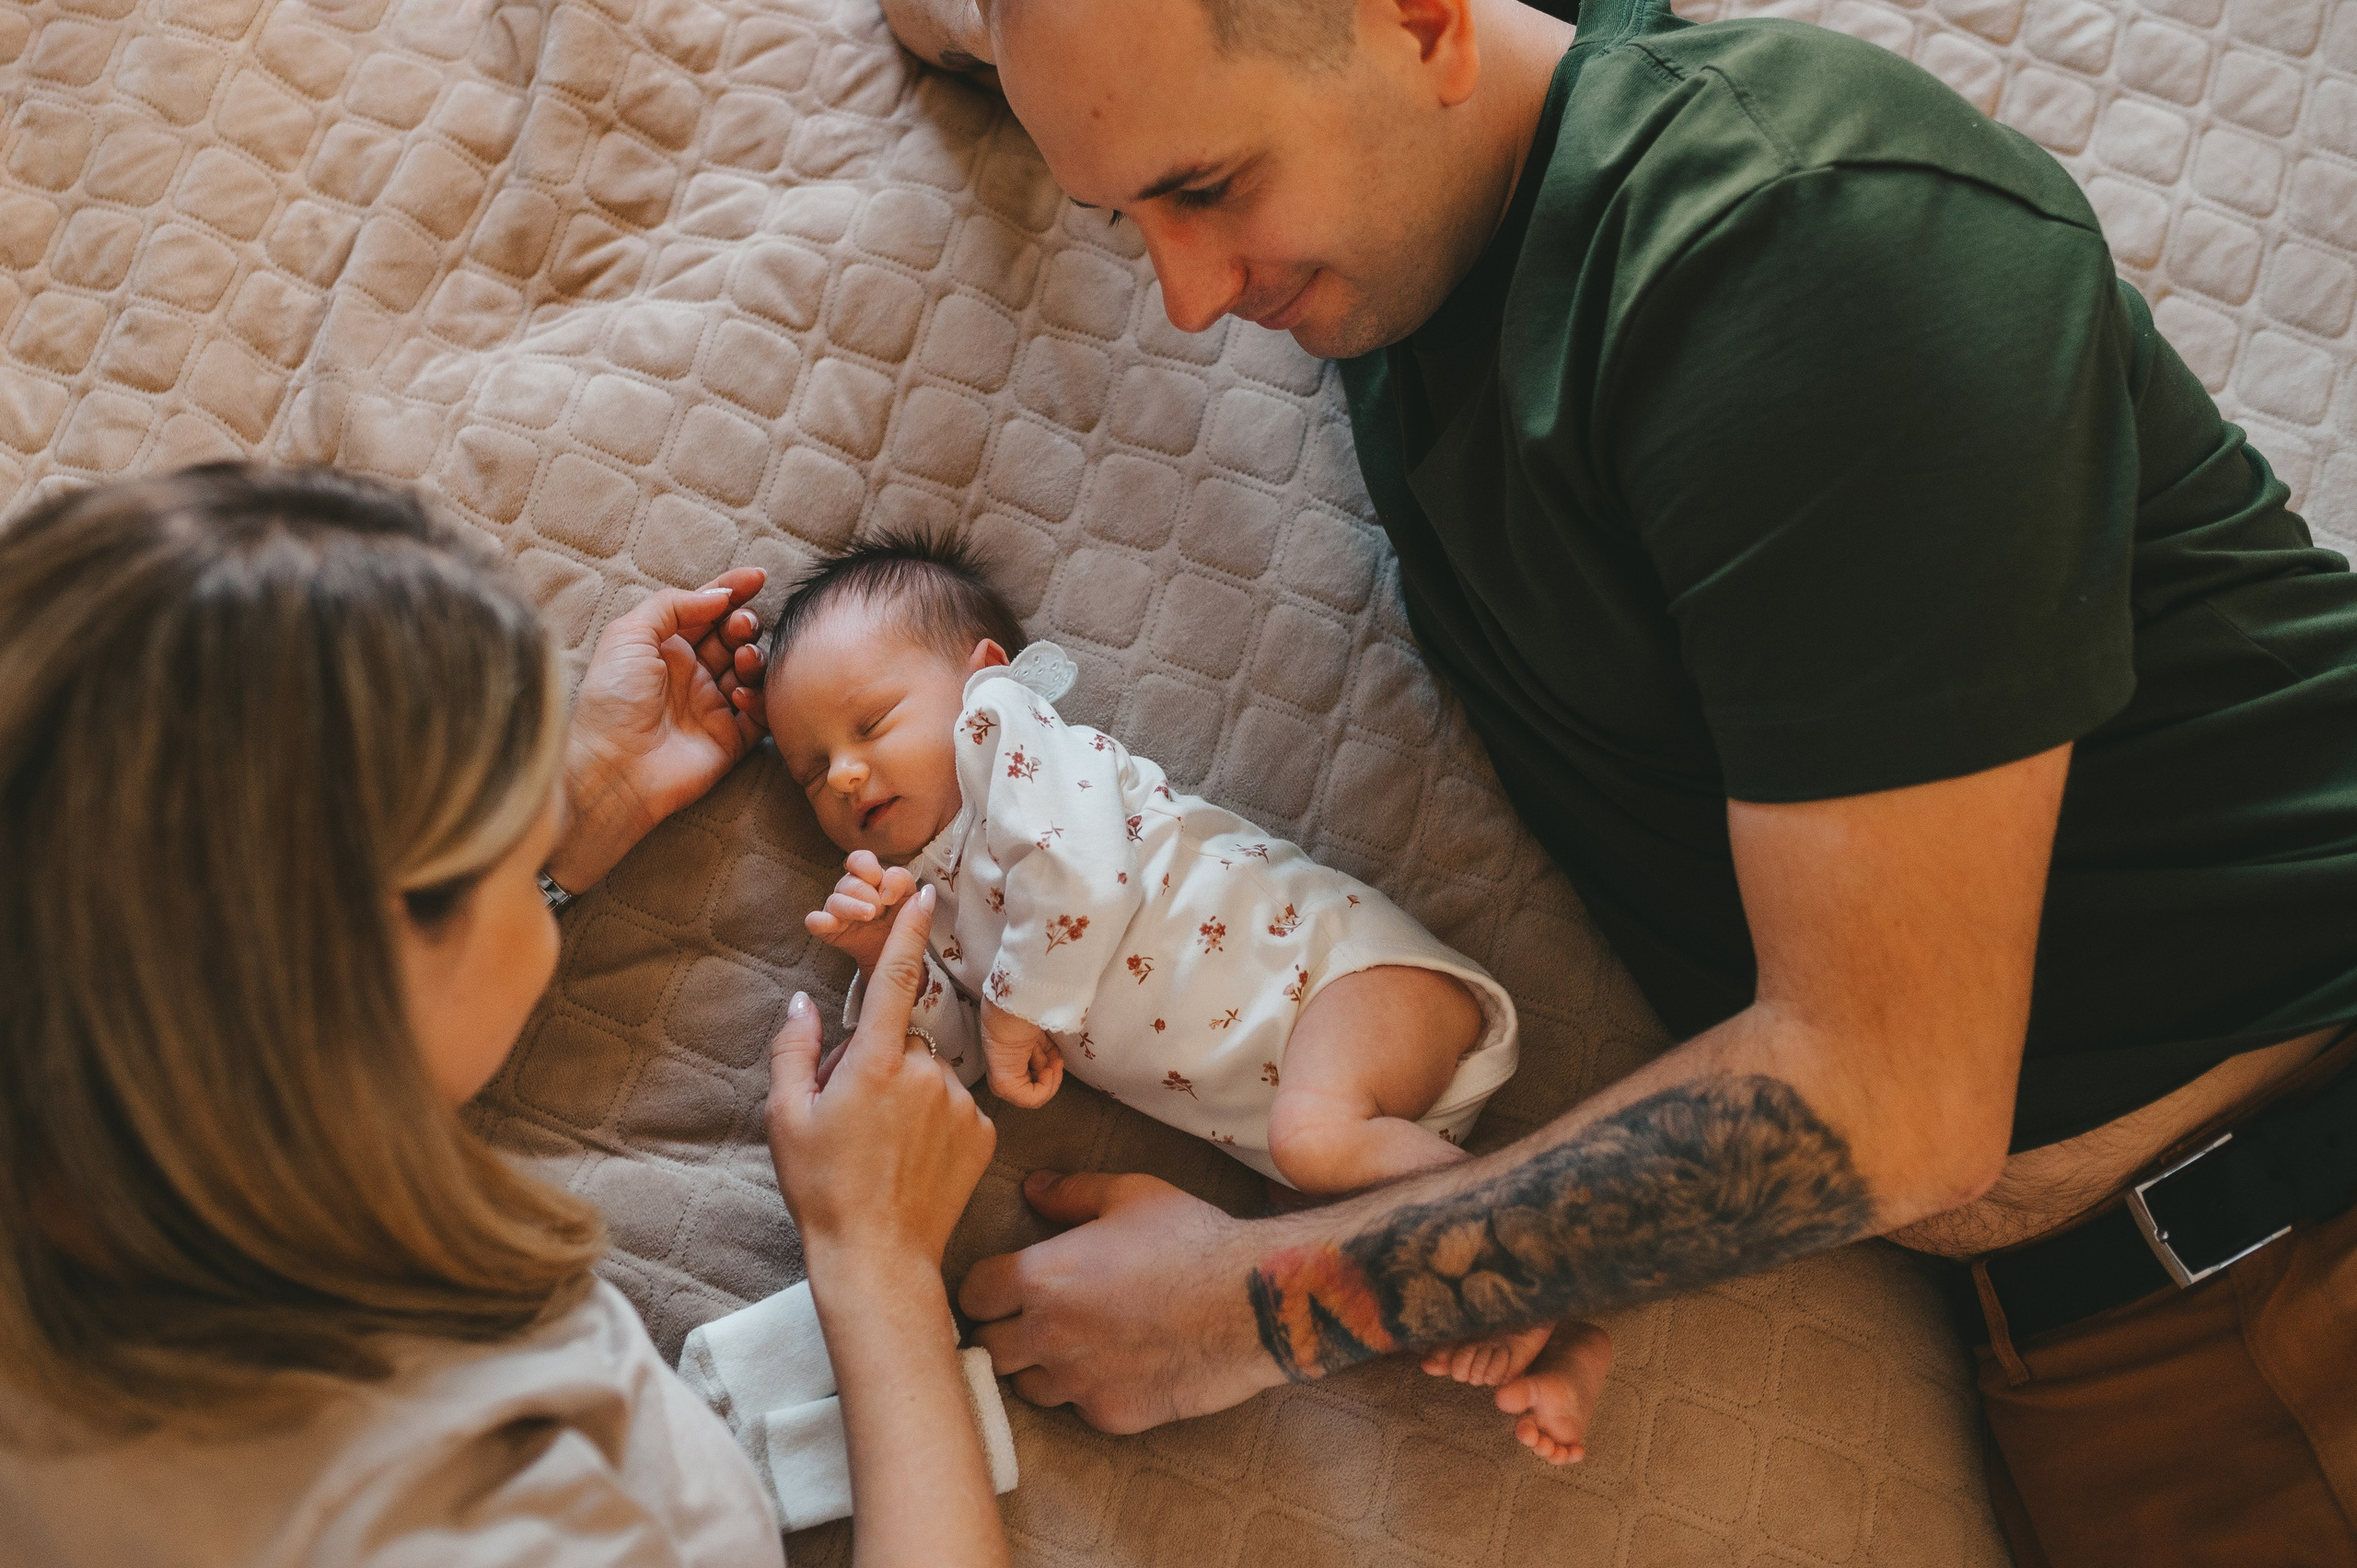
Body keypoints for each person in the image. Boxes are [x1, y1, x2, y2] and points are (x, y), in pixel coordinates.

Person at [878, 0, 2357, 1559]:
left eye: (1210, 188)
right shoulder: (1425, 203)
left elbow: (1893, 1099)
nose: (1183, 296)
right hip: (2106, 1359)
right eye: (1127, 219)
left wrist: (1245, 1309)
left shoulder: (1792, 238)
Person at [0, 466, 1011, 1568]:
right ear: (354, 972)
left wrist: (585, 810)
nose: (546, 817)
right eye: (517, 814)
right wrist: (880, 1262)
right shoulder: (494, 1520)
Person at [761, 535, 1618, 1461]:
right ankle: (1568, 1339)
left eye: (871, 722)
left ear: (982, 679)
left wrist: (1012, 1011)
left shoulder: (1014, 750)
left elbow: (1081, 876)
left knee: (1313, 1136)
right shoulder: (930, 899)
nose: (844, 773)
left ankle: (1539, 1251)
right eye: (812, 772)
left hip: (1342, 982)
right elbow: (965, 1054)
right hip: (1325, 1125)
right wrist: (889, 961)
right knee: (1338, 1260)